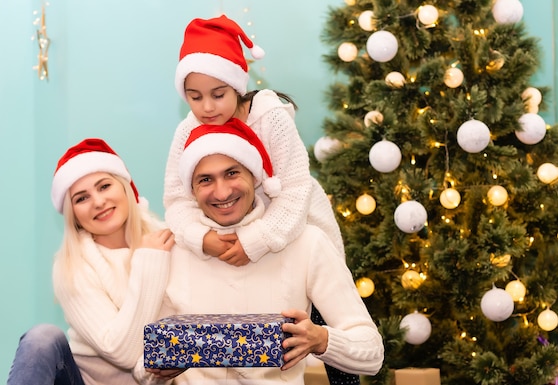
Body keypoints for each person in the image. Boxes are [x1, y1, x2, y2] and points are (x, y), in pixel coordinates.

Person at [164, 15, 357, 385]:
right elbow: (176, 198)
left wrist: (256, 241)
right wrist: (200, 238)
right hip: (238, 245)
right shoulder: (187, 128)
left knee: (325, 331)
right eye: (194, 97)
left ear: (237, 84)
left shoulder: (270, 118)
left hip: (295, 232)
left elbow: (297, 189)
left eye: (218, 94)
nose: (206, 107)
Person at [137, 119, 384, 384]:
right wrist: (160, 369)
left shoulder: (307, 243)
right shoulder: (172, 251)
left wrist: (321, 339)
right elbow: (140, 369)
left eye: (232, 173)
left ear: (254, 176)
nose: (221, 192)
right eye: (205, 180)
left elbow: (372, 354)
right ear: (192, 191)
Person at [7, 138, 175, 385]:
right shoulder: (71, 267)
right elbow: (122, 353)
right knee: (42, 337)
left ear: (125, 187)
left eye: (104, 186)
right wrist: (148, 263)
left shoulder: (167, 241)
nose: (98, 202)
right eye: (81, 198)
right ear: (73, 213)